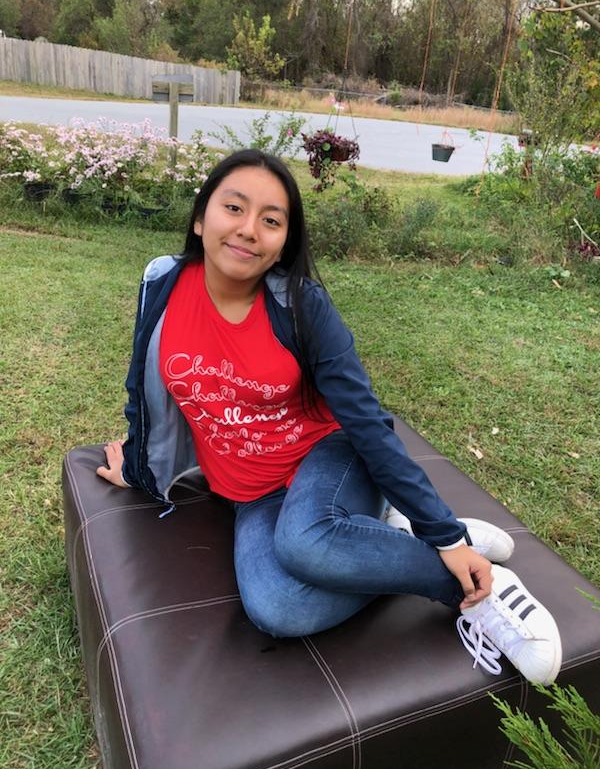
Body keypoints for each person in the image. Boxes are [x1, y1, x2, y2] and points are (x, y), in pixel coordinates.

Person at [97, 149, 562, 685]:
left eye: (271, 220)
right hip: (253, 494)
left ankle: (483, 587)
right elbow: (142, 387)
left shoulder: (300, 305)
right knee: (278, 609)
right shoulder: (163, 285)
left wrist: (446, 537)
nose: (249, 229)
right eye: (234, 208)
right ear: (201, 218)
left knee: (304, 543)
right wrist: (139, 467)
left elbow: (366, 421)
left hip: (330, 456)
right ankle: (379, 539)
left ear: (283, 243)